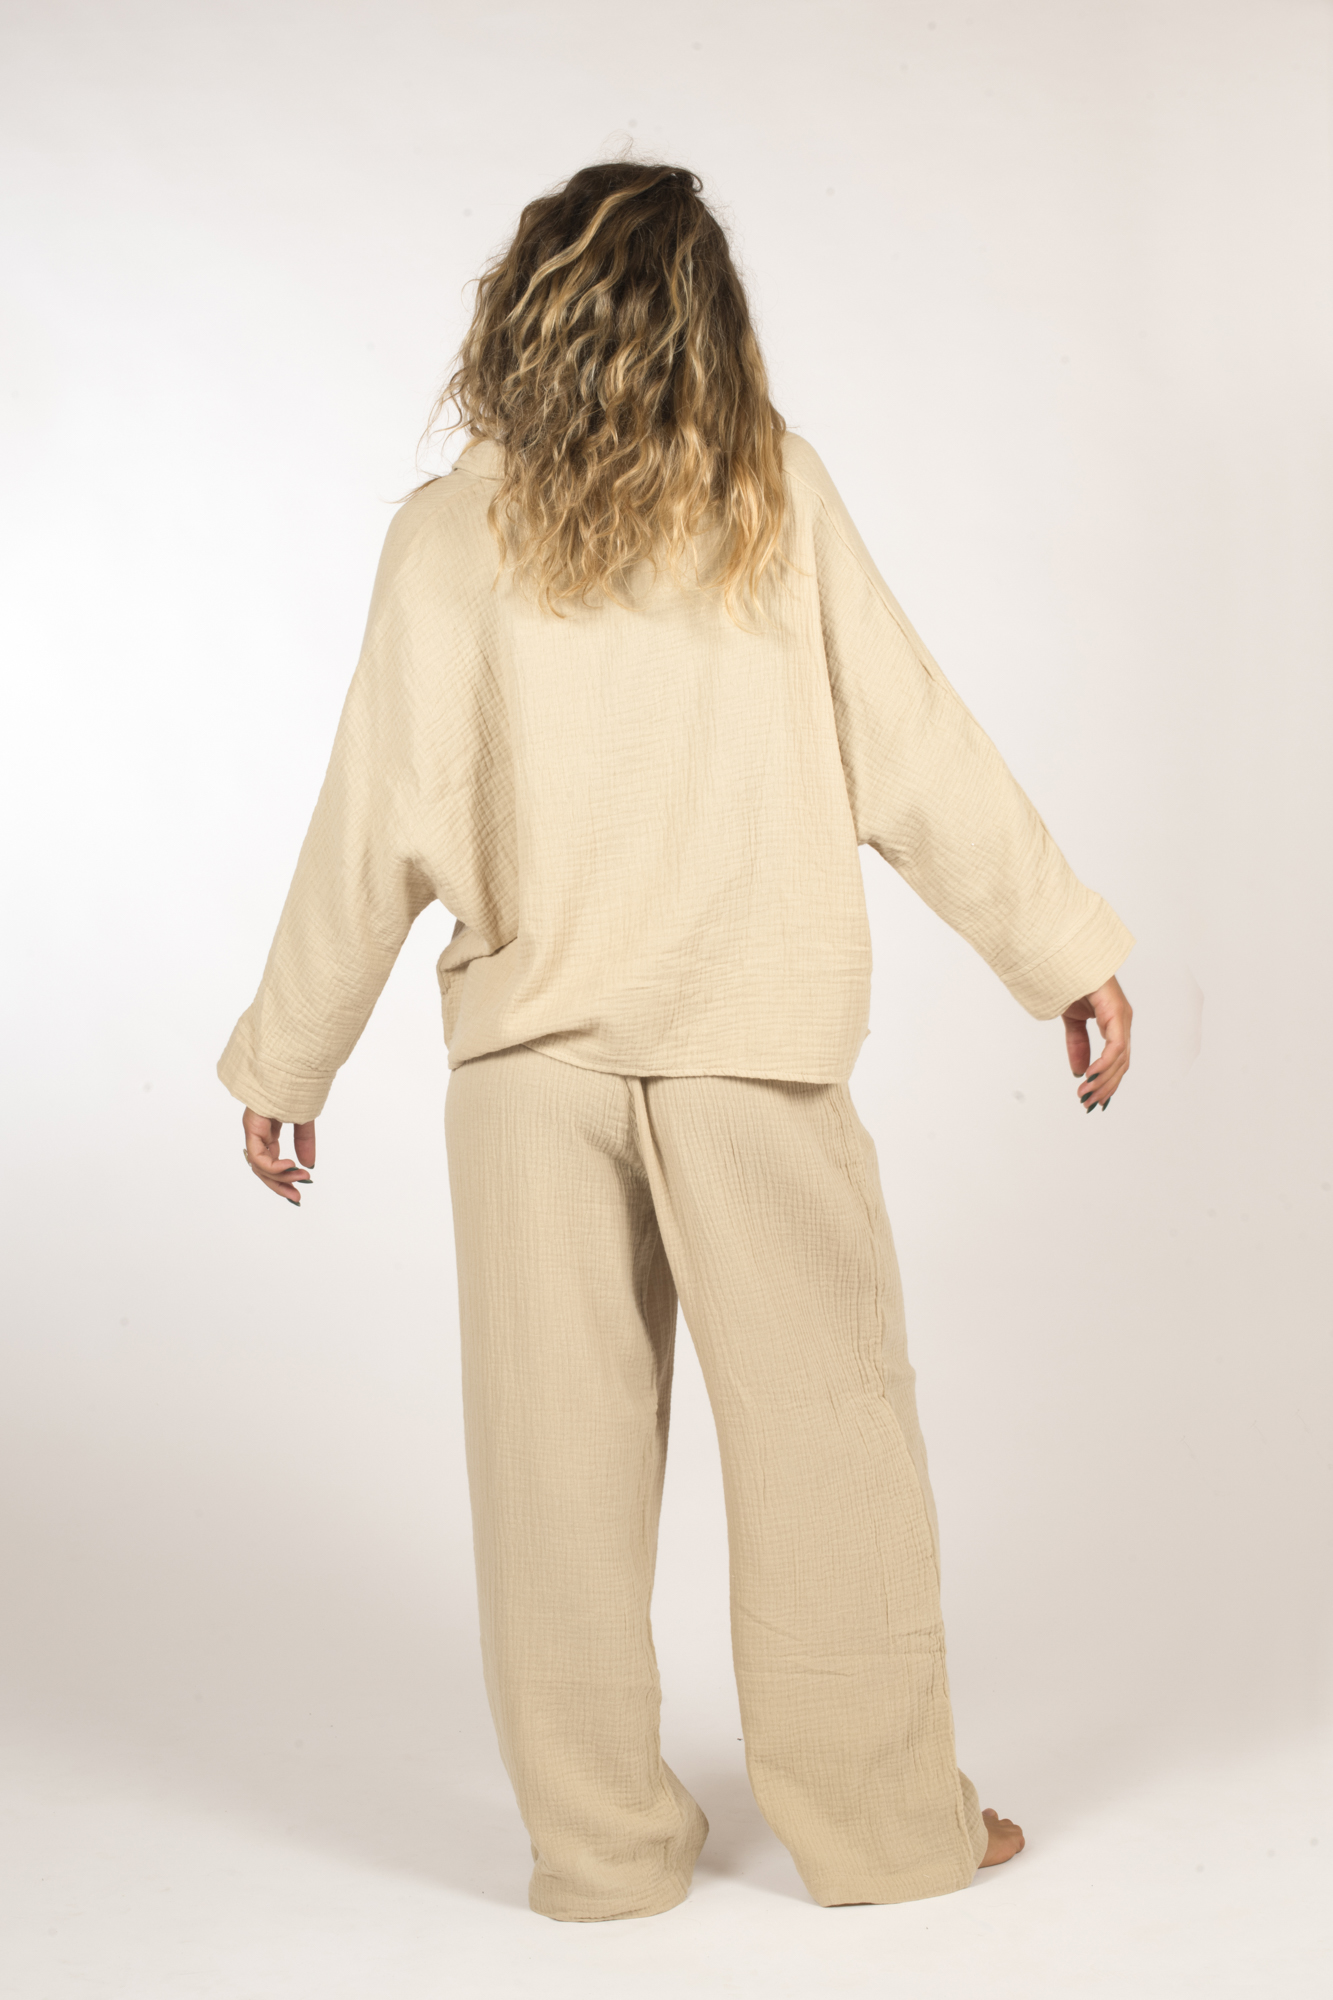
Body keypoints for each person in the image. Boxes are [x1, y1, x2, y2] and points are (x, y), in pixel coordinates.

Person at [218, 160, 1133, 1922]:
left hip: (528, 1068)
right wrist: (1060, 947)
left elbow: (371, 818)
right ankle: (885, 1833)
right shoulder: (768, 491)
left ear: (519, 314)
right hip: (747, 1043)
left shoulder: (447, 536)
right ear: (709, 321)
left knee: (549, 1464)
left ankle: (603, 1851)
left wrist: (285, 1060)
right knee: (827, 1437)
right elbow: (912, 746)